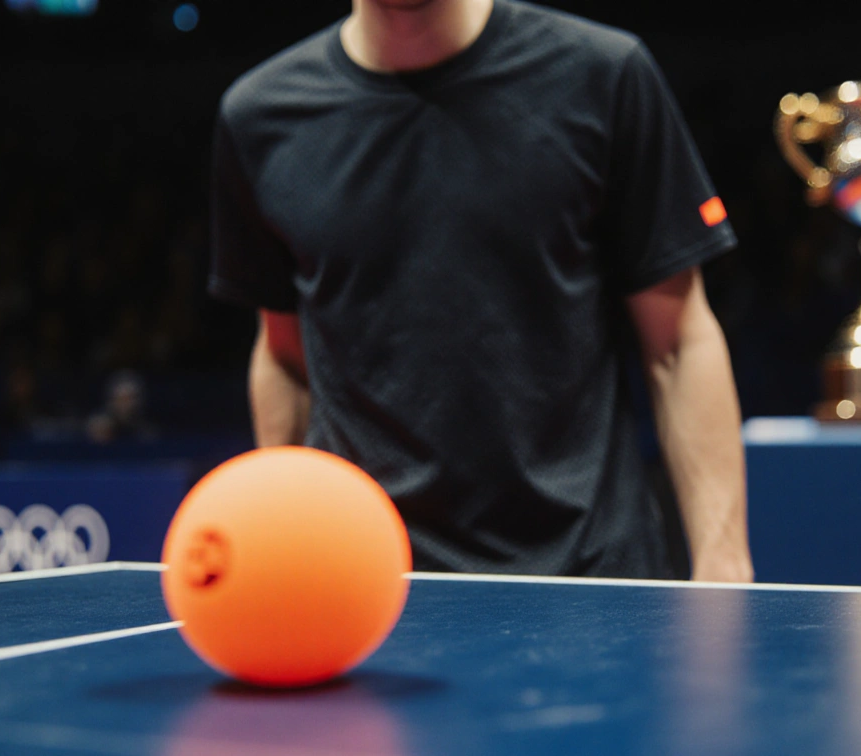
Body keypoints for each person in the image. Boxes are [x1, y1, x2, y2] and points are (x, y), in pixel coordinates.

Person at [208, 0, 751, 581]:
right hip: (363, 585)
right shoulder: (261, 116)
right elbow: (286, 355)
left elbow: (678, 344)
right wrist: (282, 544)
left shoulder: (604, 73)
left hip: (590, 584)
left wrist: (724, 565)